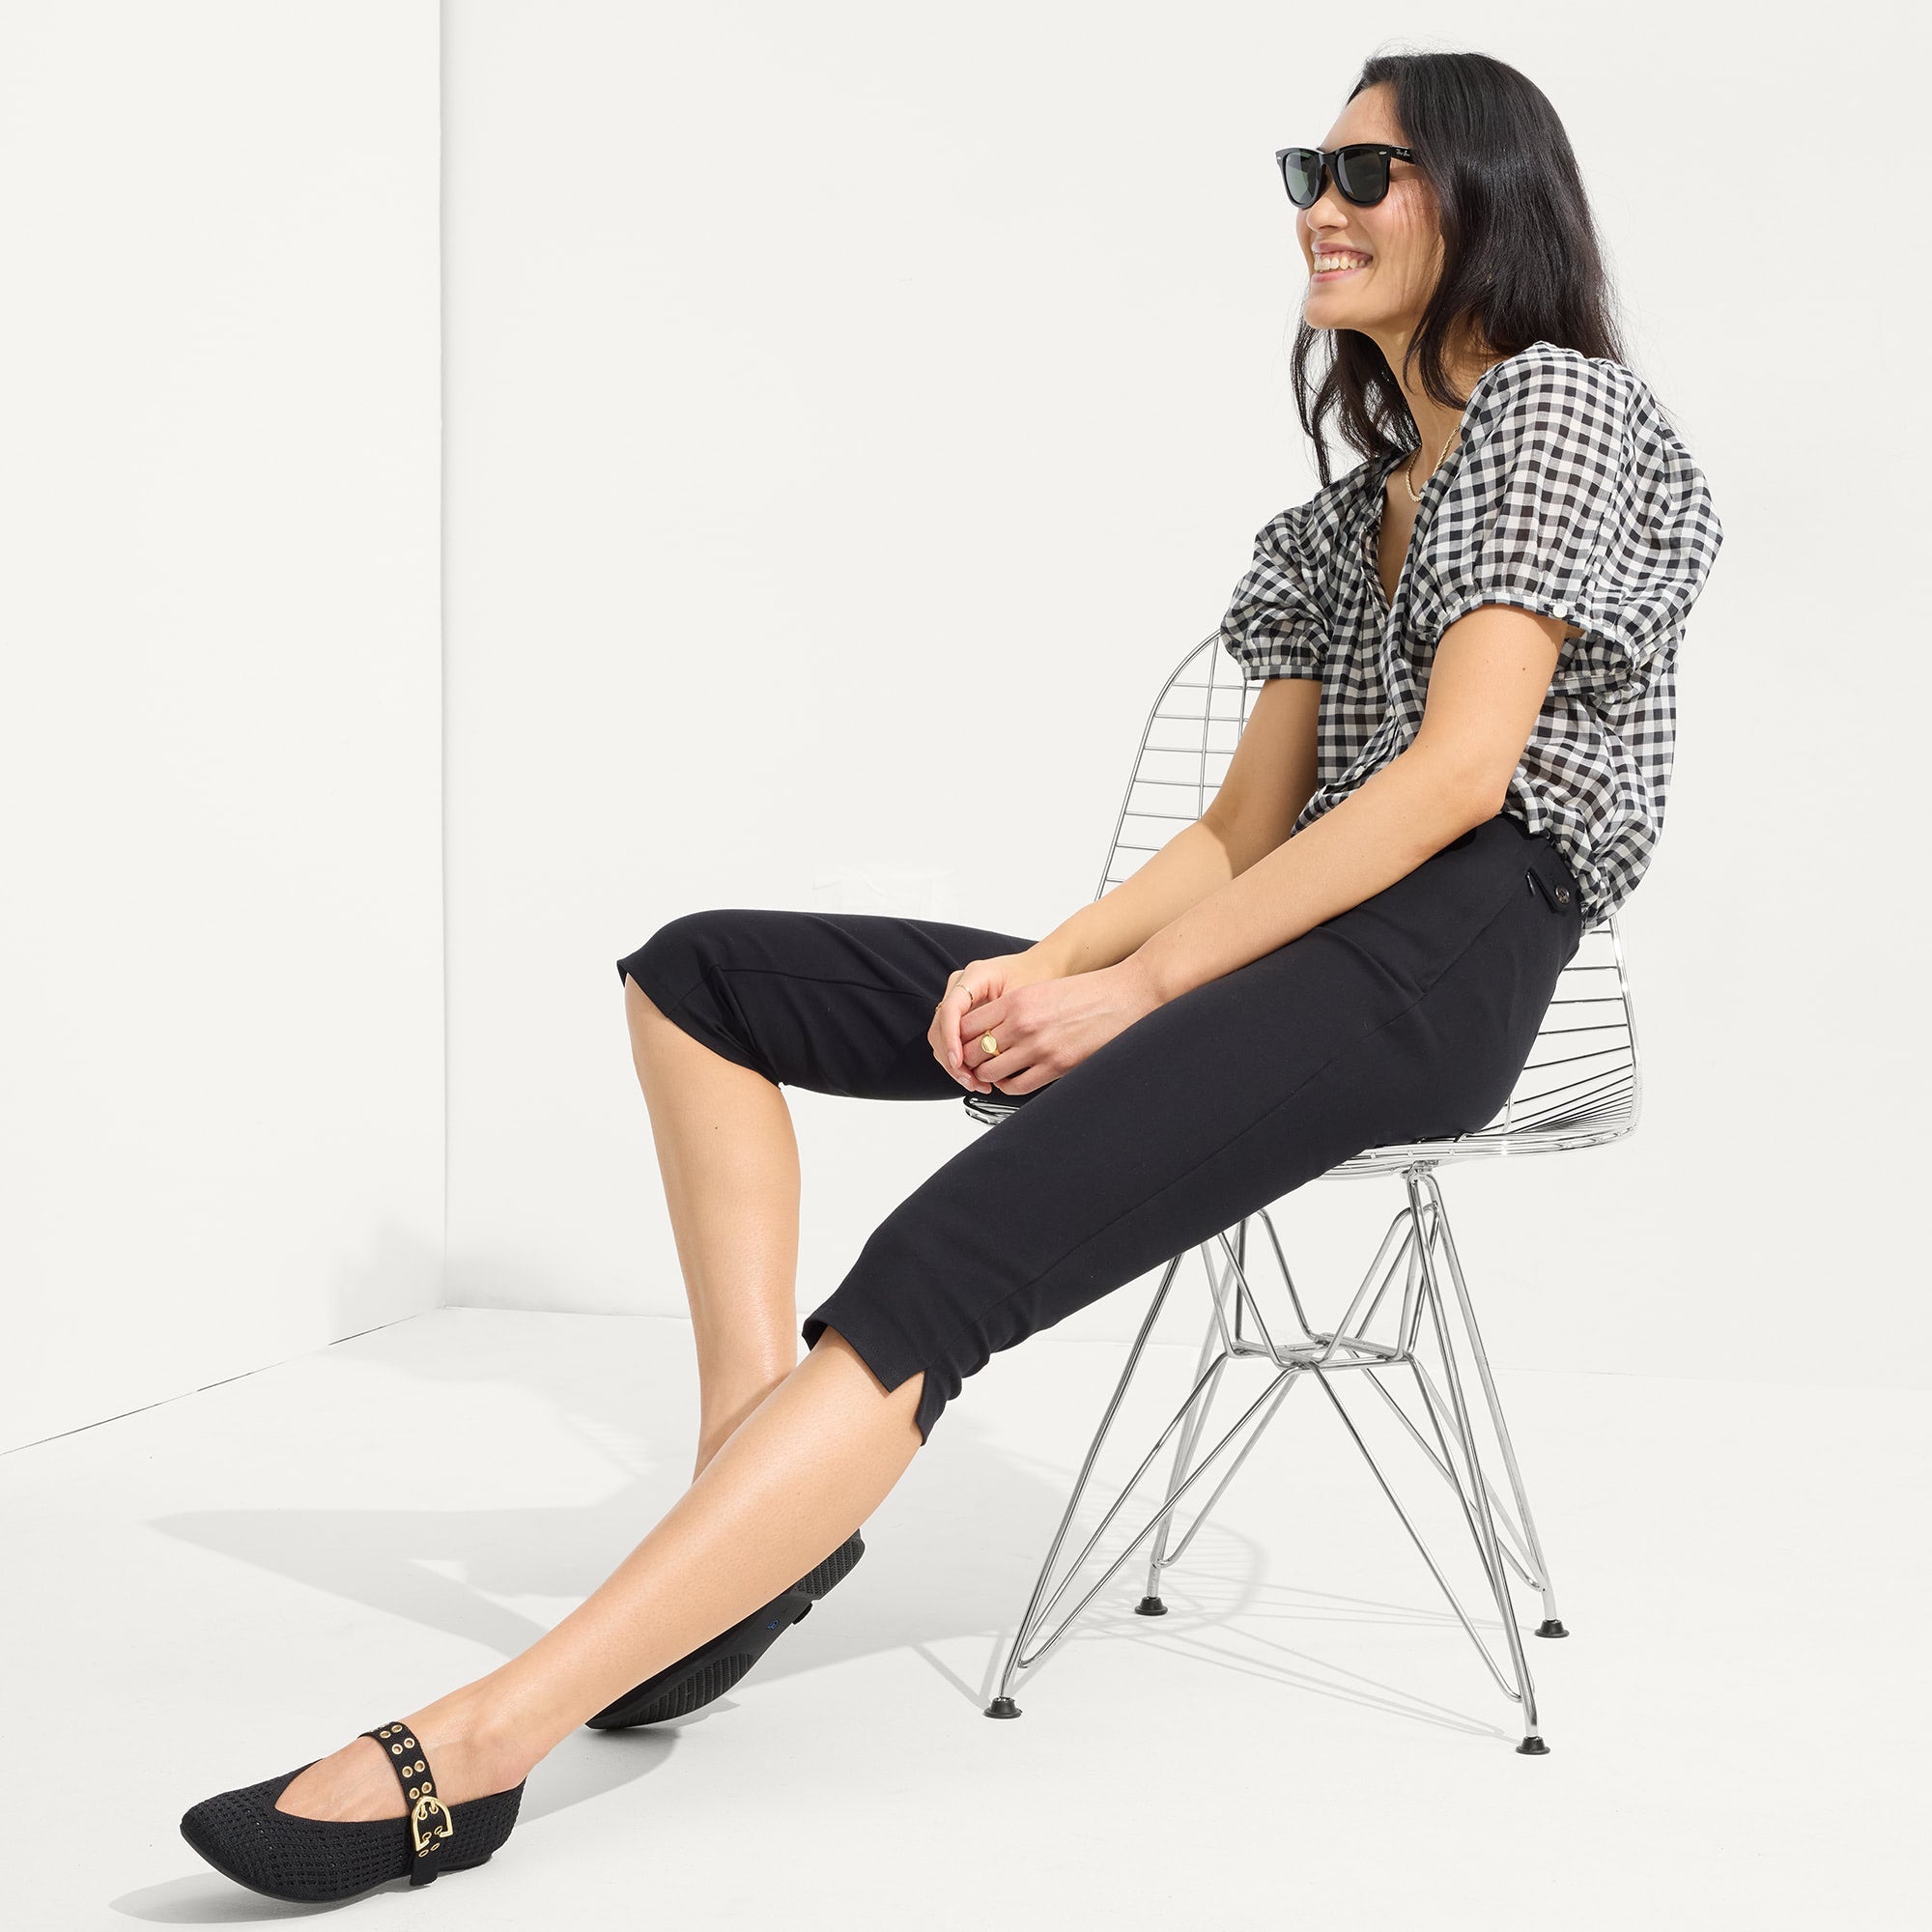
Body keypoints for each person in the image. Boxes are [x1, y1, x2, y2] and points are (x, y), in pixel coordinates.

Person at [180, 49, 1723, 1904]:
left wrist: (1137, 1000)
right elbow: (1243, 830)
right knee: (701, 979)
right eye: (1306, 169)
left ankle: (486, 1748)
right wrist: (1046, 966)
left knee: (944, 1261)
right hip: (1290, 941)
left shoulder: (1559, 407)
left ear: (1484, 193)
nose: (1319, 204)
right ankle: (746, 1503)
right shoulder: (1342, 519)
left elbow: (1459, 779)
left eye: (1364, 171)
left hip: (1446, 959)